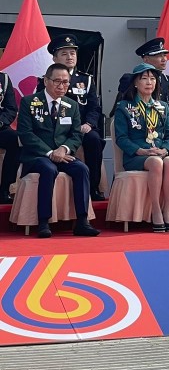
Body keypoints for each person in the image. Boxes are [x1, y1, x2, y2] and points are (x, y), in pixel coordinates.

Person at [17, 63, 100, 238]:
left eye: (66, 82)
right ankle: (43, 222)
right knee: (49, 169)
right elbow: (26, 134)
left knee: (82, 169)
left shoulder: (71, 105)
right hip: (37, 156)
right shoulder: (29, 102)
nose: (62, 86)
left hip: (63, 154)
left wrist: (63, 149)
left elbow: (76, 134)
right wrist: (49, 153)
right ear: (46, 81)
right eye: (57, 81)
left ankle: (82, 221)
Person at [115, 38, 169, 197]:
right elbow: (122, 132)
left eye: (165, 55)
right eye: (159, 55)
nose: (164, 59)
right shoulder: (129, 82)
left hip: (165, 127)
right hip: (140, 133)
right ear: (146, 59)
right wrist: (142, 151)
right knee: (156, 160)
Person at [113, 63, 169, 232]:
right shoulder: (124, 107)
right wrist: (140, 150)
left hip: (158, 152)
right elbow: (121, 138)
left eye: (152, 79)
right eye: (144, 79)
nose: (149, 82)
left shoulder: (162, 107)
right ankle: (156, 210)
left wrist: (165, 149)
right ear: (136, 82)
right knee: (156, 163)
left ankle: (167, 209)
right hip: (136, 155)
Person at [46, 35, 105, 201]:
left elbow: (94, 107)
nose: (70, 56)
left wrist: (89, 123)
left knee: (94, 139)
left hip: (82, 129)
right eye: (64, 53)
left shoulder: (86, 79)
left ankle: (93, 188)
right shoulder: (46, 79)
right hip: (57, 129)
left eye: (72, 53)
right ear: (54, 58)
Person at [0, 70, 19, 203]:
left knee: (16, 140)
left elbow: (11, 108)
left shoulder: (4, 78)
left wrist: (1, 122)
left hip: (0, 127)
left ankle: (5, 189)